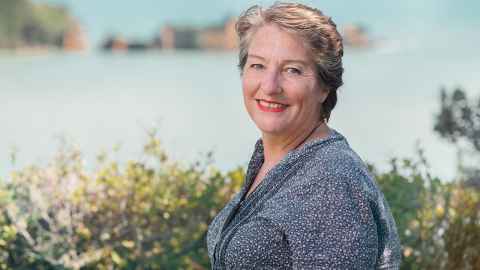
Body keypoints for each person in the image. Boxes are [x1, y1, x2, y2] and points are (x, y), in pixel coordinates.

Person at [207, 2, 401, 269]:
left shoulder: (332, 182)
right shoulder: (271, 158)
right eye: (258, 65)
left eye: (292, 70)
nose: (270, 86)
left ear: (324, 87)